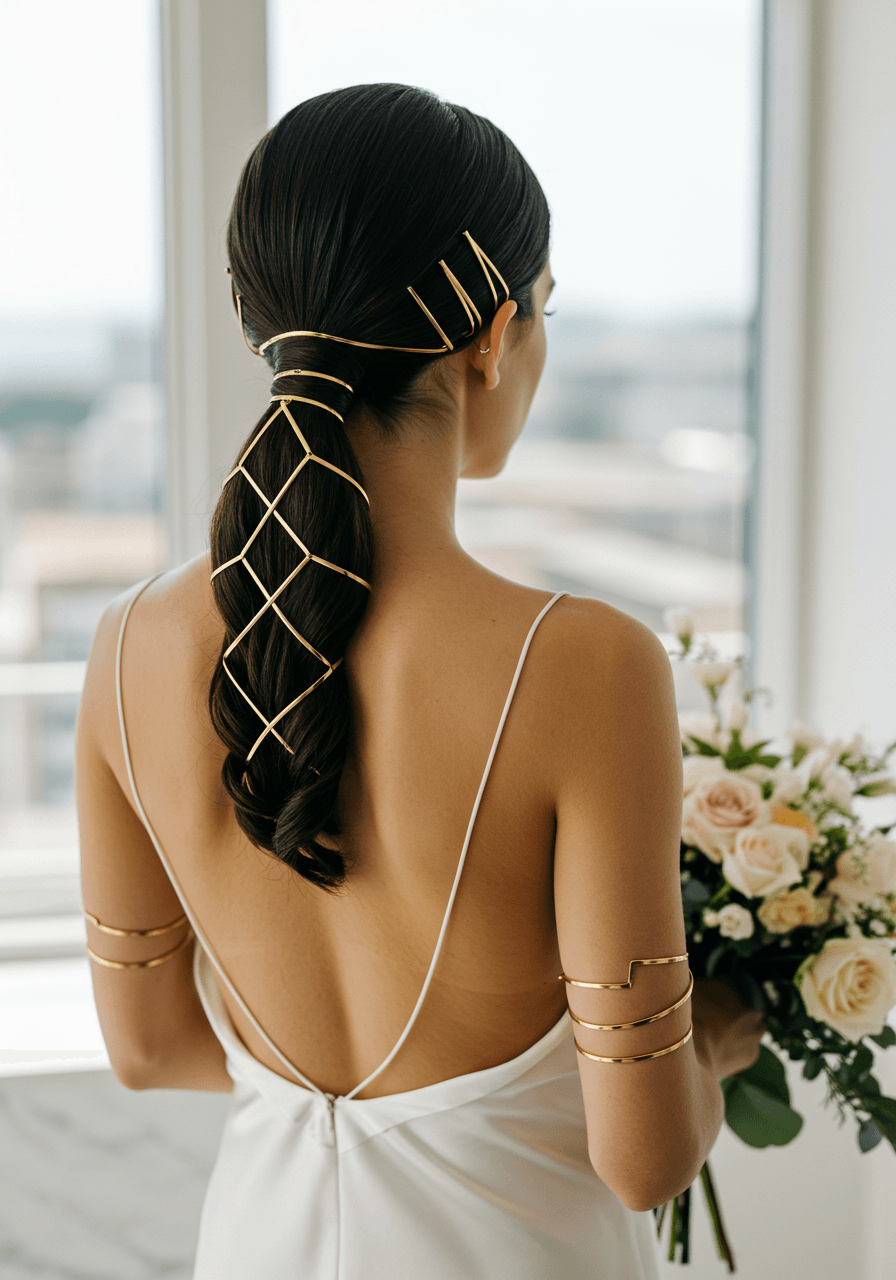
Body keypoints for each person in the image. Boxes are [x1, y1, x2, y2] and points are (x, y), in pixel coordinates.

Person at [76, 83, 764, 1279]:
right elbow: (644, 1157)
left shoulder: (123, 646)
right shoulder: (586, 663)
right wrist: (709, 1037)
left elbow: (150, 1050)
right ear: (493, 334)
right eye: (543, 309)